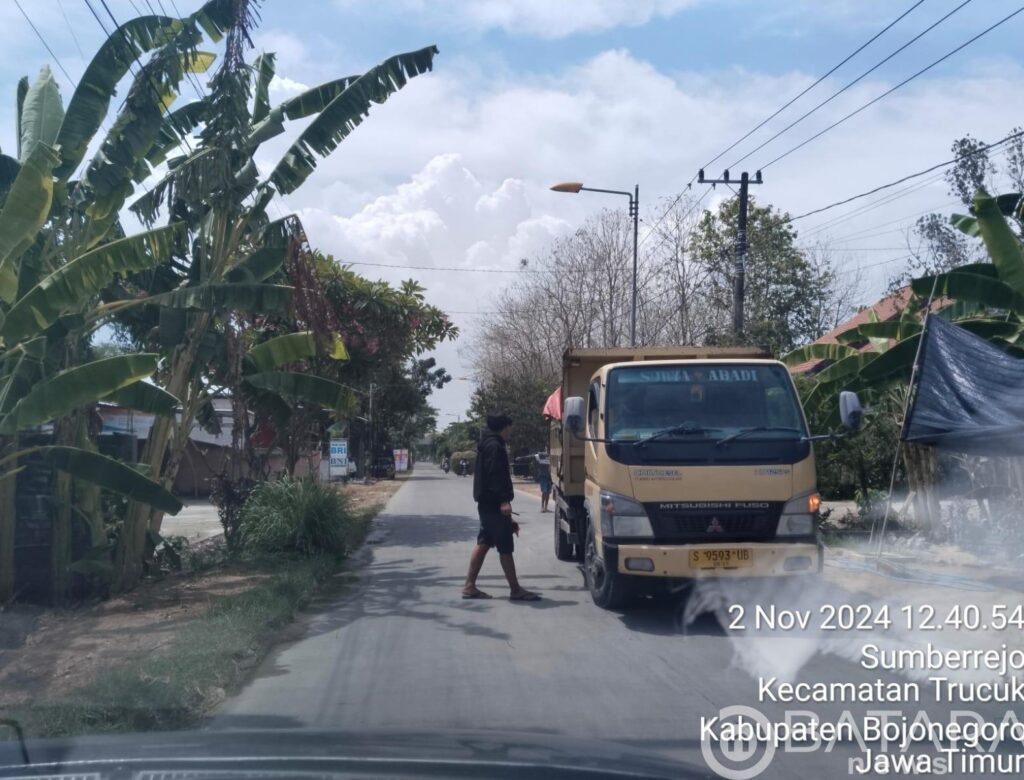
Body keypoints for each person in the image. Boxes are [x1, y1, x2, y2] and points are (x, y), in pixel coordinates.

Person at [462, 411, 541, 601]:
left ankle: (469, 586)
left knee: (484, 542)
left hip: (487, 504)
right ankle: (515, 589)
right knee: (505, 546)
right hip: (495, 504)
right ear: (504, 427)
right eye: (509, 427)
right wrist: (504, 502)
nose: (510, 431)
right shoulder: (495, 447)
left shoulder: (487, 445)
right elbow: (495, 476)